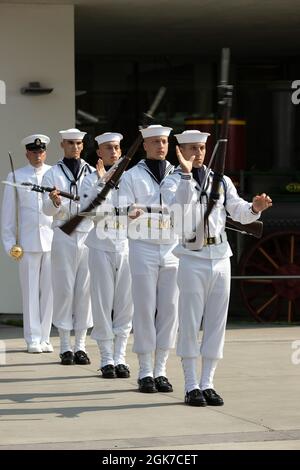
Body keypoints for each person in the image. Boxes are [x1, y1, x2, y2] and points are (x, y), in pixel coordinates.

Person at [161, 130, 272, 406]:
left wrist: (255, 208)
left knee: (216, 323)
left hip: (220, 254)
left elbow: (238, 210)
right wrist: (186, 176)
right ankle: (190, 384)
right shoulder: (172, 181)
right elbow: (179, 209)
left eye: (201, 148)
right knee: (189, 321)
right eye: (192, 148)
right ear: (180, 151)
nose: (198, 153)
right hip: (191, 256)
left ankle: (208, 382)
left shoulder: (219, 180)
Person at [118, 124, 179, 393]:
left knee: (169, 309)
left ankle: (161, 369)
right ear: (144, 145)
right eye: (154, 142)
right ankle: (145, 369)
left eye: (164, 141)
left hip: (172, 247)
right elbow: (120, 206)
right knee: (144, 308)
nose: (160, 146)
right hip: (142, 245)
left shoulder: (179, 175)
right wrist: (130, 210)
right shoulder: (131, 176)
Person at [80, 132, 133, 378]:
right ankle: (106, 357)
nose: (113, 152)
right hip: (100, 245)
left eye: (117, 147)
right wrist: (102, 183)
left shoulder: (131, 178)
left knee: (125, 305)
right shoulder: (90, 180)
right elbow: (89, 212)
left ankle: (121, 356)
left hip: (126, 245)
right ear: (99, 152)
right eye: (108, 148)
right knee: (102, 304)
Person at [42, 128, 94, 365]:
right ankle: (64, 345)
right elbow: (46, 210)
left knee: (85, 291)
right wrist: (54, 203)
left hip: (87, 234)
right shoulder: (52, 173)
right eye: (70, 143)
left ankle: (81, 345)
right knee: (64, 289)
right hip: (63, 232)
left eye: (78, 143)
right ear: (62, 144)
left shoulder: (93, 172)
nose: (74, 147)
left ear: (83, 146)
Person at [1, 134, 54, 353]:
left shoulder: (54, 174)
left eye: (41, 151)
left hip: (52, 240)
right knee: (30, 292)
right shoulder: (16, 175)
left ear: (46, 152)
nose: (38, 155)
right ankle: (32, 338)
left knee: (50, 291)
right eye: (34, 151)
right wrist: (10, 244)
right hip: (28, 243)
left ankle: (45, 336)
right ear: (27, 153)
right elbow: (8, 215)